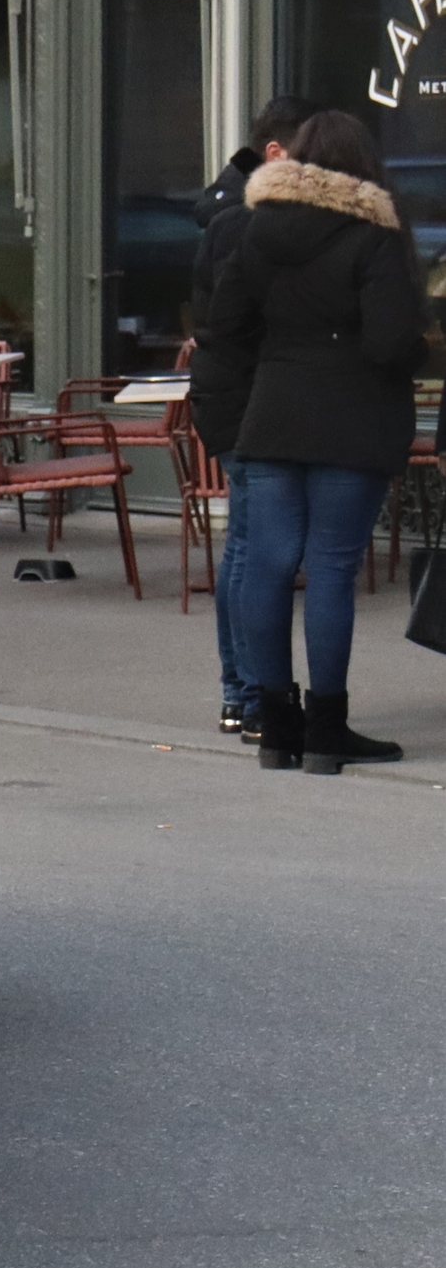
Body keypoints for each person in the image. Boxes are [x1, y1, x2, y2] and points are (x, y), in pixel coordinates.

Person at [203, 110, 432, 773]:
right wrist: (418, 349)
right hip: (351, 419)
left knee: (269, 566)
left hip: (272, 413)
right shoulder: (374, 234)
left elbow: (227, 326)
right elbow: (391, 341)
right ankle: (328, 728)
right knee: (331, 568)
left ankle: (277, 726)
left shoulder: (254, 229)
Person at [188, 96, 315, 742]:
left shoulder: (223, 219)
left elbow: (209, 321)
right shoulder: (253, 224)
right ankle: (250, 692)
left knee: (245, 546)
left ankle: (241, 692)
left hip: (229, 397)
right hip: (250, 401)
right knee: (253, 548)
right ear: (277, 154)